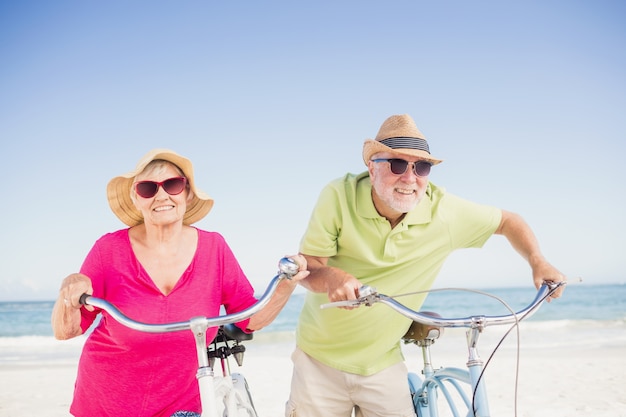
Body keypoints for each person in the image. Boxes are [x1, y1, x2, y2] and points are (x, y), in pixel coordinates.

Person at [285, 114, 566, 417]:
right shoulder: (338, 196)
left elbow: (510, 221)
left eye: (421, 167)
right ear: (371, 166)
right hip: (319, 359)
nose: (409, 178)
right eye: (396, 165)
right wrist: (333, 277)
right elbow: (309, 267)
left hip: (383, 361)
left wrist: (538, 261)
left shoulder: (443, 210)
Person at [51, 148, 309, 417]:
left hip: (180, 404)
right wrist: (69, 288)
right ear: (136, 198)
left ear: (186, 192)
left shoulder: (214, 247)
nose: (161, 195)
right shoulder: (108, 249)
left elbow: (249, 318)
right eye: (148, 188)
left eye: (172, 185)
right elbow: (65, 331)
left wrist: (287, 283)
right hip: (106, 403)